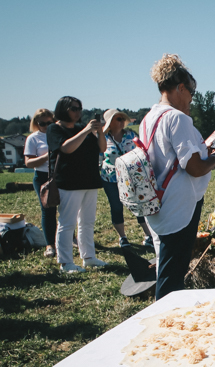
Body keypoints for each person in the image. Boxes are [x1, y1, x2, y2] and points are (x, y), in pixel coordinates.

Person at [142, 54, 215, 300]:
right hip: (178, 206)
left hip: (159, 201)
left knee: (167, 265)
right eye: (191, 92)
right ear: (180, 88)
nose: (191, 98)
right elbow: (194, 168)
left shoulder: (150, 117)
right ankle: (165, 322)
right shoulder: (177, 118)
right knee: (172, 274)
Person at [46, 97, 108, 273]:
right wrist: (86, 131)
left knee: (87, 222)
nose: (78, 112)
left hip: (89, 180)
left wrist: (99, 131)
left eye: (79, 109)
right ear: (63, 109)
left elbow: (102, 149)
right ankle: (65, 262)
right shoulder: (54, 129)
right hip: (68, 182)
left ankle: (89, 257)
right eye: (74, 108)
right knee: (67, 223)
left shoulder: (83, 128)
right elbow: (66, 148)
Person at [99, 108, 153, 248]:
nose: (122, 122)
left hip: (132, 177)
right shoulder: (103, 138)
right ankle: (122, 237)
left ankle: (148, 235)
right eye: (118, 119)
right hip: (111, 179)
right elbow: (99, 157)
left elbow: (141, 151)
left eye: (123, 119)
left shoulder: (131, 135)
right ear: (110, 122)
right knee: (116, 207)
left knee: (139, 204)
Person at [24, 108, 57, 258]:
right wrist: (46, 156)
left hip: (60, 174)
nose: (46, 126)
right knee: (48, 210)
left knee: (66, 209)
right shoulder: (33, 138)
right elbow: (29, 163)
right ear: (36, 123)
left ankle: (71, 237)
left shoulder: (57, 134)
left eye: (49, 122)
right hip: (42, 176)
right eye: (42, 123)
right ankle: (50, 244)